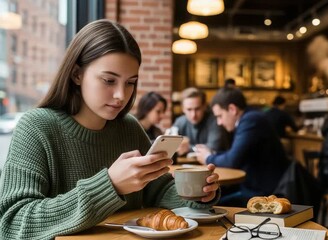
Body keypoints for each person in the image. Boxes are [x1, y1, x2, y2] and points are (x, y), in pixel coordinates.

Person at [0, 19, 219, 240]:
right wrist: (110, 185)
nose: (121, 96)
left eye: (130, 82)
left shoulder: (130, 128)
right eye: (109, 80)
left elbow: (159, 191)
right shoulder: (36, 127)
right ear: (77, 74)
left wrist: (198, 195)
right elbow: (12, 222)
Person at [195, 87, 290, 207]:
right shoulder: (250, 118)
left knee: (209, 204)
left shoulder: (251, 120)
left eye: (220, 116)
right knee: (209, 198)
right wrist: (212, 155)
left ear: (232, 109)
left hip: (265, 196)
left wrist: (208, 158)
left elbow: (231, 161)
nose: (219, 122)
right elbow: (233, 154)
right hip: (254, 188)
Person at [173, 87, 230, 156]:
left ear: (204, 106)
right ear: (183, 109)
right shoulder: (180, 122)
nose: (193, 114)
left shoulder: (216, 121)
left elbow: (213, 147)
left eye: (197, 109)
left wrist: (188, 148)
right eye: (189, 109)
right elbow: (172, 147)